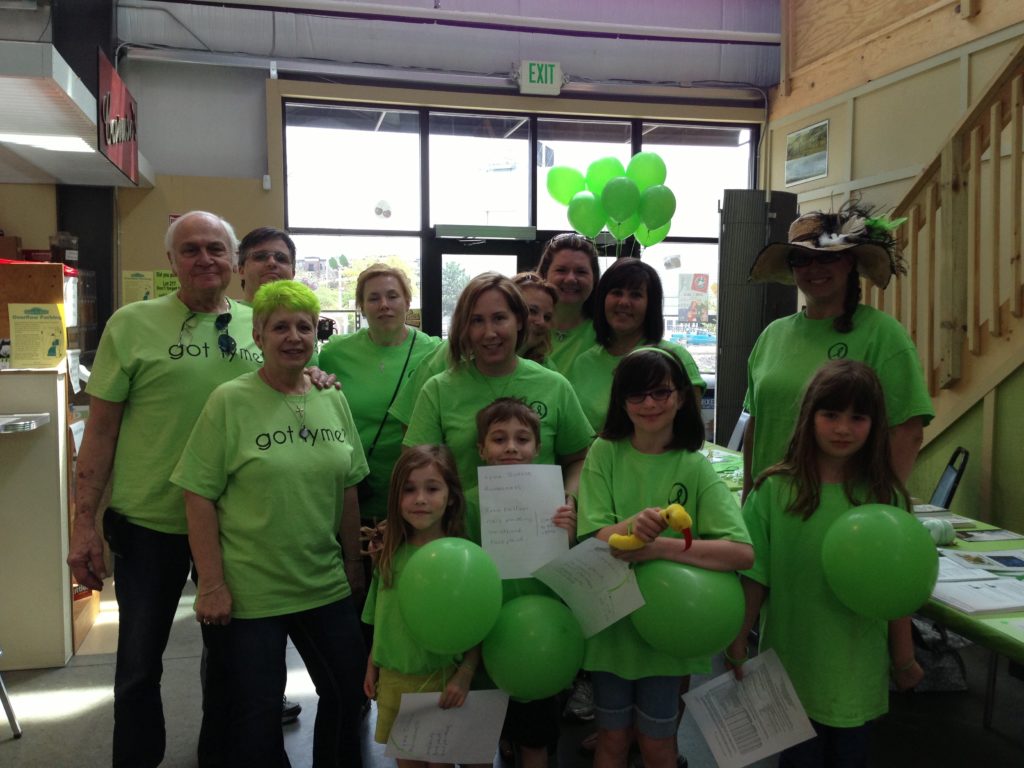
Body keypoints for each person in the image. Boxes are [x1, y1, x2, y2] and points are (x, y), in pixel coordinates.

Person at [66, 211, 260, 767]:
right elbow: (99, 433)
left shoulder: (258, 326)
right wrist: (84, 525)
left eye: (216, 249)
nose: (205, 259)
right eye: (191, 250)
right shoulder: (131, 325)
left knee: (227, 663)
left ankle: (217, 758)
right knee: (137, 667)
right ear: (171, 262)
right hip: (149, 524)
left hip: (235, 526)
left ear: (234, 260)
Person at [171, 280, 368, 768]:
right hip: (251, 591)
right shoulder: (229, 401)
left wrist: (353, 564)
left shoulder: (331, 397)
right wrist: (211, 584)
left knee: (349, 692)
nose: (293, 336)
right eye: (279, 326)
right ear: (257, 335)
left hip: (323, 582)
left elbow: (348, 487)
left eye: (304, 326)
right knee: (256, 715)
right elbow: (198, 495)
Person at [726, 360, 924, 767]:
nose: (842, 428)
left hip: (856, 674)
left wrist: (903, 658)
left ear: (875, 424)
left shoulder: (886, 499)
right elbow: (753, 579)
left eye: (857, 417)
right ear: (809, 416)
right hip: (791, 670)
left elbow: (896, 593)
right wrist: (737, 640)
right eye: (830, 414)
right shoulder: (773, 491)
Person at [577, 347, 753, 768]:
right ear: (621, 401)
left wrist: (659, 547)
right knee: (612, 741)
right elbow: (592, 533)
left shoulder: (694, 465)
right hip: (612, 629)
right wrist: (631, 528)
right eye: (637, 395)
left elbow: (741, 553)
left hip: (668, 639)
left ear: (679, 397)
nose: (650, 404)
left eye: (660, 392)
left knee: (659, 746)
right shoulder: (604, 452)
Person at [742, 203, 934, 498]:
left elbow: (907, 433)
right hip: (768, 507)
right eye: (801, 259)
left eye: (827, 258)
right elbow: (757, 425)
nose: (814, 268)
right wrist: (748, 495)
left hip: (847, 511)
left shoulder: (882, 334)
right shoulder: (772, 335)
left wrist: (880, 505)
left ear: (849, 263)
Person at [403, 272, 593, 541]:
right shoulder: (439, 390)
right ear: (464, 328)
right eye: (476, 321)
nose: (489, 332)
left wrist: (569, 498)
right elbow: (414, 472)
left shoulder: (554, 386)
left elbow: (579, 458)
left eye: (499, 318)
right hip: (459, 544)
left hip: (539, 544)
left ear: (519, 321)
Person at [474, 397, 575, 768]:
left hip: (540, 641)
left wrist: (571, 532)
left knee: (535, 740)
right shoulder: (467, 505)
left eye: (522, 439)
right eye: (499, 439)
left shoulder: (557, 504)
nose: (512, 447)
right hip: (484, 639)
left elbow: (573, 569)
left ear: (538, 447)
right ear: (481, 449)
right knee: (480, 739)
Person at [362, 445, 479, 761]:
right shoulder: (388, 555)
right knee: (407, 761)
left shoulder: (463, 558)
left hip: (440, 682)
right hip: (394, 682)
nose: (420, 499)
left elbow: (478, 622)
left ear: (451, 496)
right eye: (409, 490)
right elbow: (382, 617)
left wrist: (465, 673)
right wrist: (373, 665)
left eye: (432, 488)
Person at [236, 225, 306, 724]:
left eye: (281, 256)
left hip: (301, 536)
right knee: (232, 666)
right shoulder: (231, 326)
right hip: (238, 527)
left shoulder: (307, 354)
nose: (271, 264)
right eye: (260, 256)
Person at [318, 264, 441, 525]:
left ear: (407, 301)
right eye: (373, 298)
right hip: (354, 489)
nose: (384, 304)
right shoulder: (334, 354)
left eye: (392, 296)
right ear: (361, 306)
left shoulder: (434, 352)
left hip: (415, 491)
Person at [567, 258, 705, 432]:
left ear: (651, 305)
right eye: (616, 292)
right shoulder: (583, 363)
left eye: (636, 295)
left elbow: (690, 433)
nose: (624, 302)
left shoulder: (674, 357)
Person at [536, 233, 602, 371]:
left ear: (594, 279)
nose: (571, 279)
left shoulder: (607, 333)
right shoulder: (525, 329)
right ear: (544, 275)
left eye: (581, 272)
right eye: (561, 270)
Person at [237, 226, 296, 305]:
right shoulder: (225, 316)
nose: (272, 262)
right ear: (241, 271)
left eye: (281, 258)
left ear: (293, 273)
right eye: (260, 257)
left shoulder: (306, 316)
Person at [512, 272, 559, 368]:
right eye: (532, 311)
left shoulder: (547, 370)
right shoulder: (476, 362)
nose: (541, 322)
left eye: (547, 317)